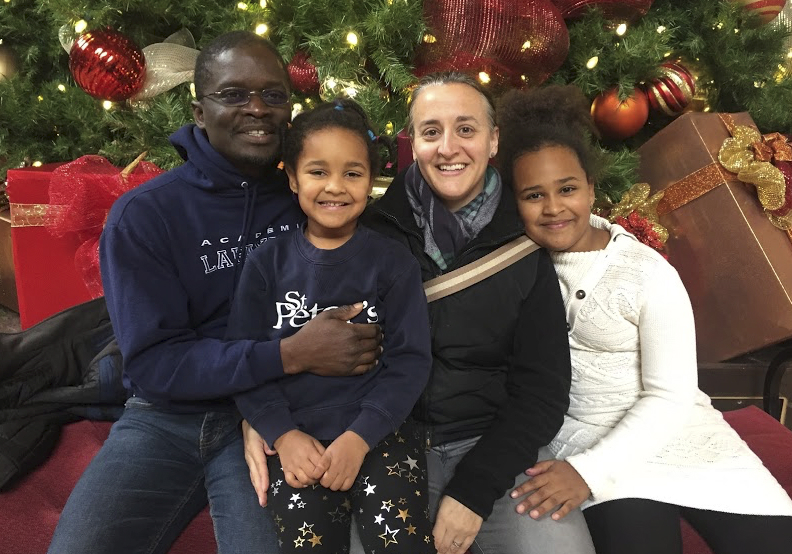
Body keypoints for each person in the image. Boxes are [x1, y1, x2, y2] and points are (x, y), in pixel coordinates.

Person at [48, 31, 382, 554]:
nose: (258, 108)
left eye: (273, 95)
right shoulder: (146, 215)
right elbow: (155, 365)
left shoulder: (313, 199)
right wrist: (288, 355)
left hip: (283, 407)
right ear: (199, 112)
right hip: (165, 416)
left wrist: (273, 407)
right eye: (234, 94)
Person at [245, 71, 596, 554]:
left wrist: (473, 491)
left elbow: (542, 392)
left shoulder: (524, 239)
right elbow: (276, 332)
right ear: (413, 143)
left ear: (493, 140)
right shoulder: (362, 228)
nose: (448, 147)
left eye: (466, 129)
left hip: (490, 448)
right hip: (380, 442)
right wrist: (264, 422)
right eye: (432, 131)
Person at [498, 84, 792, 554]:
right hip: (588, 445)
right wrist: (586, 470)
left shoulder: (646, 272)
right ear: (515, 202)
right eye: (534, 195)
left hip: (678, 433)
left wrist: (586, 472)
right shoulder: (514, 268)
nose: (553, 207)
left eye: (568, 189)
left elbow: (671, 395)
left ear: (591, 188)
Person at [226, 99, 434, 553]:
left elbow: (411, 361)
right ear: (292, 177)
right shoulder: (266, 264)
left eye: (352, 173)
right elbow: (245, 361)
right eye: (318, 172)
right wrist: (281, 432)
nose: (335, 186)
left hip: (380, 433)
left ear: (371, 181)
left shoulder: (392, 262)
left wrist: (360, 438)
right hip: (296, 439)